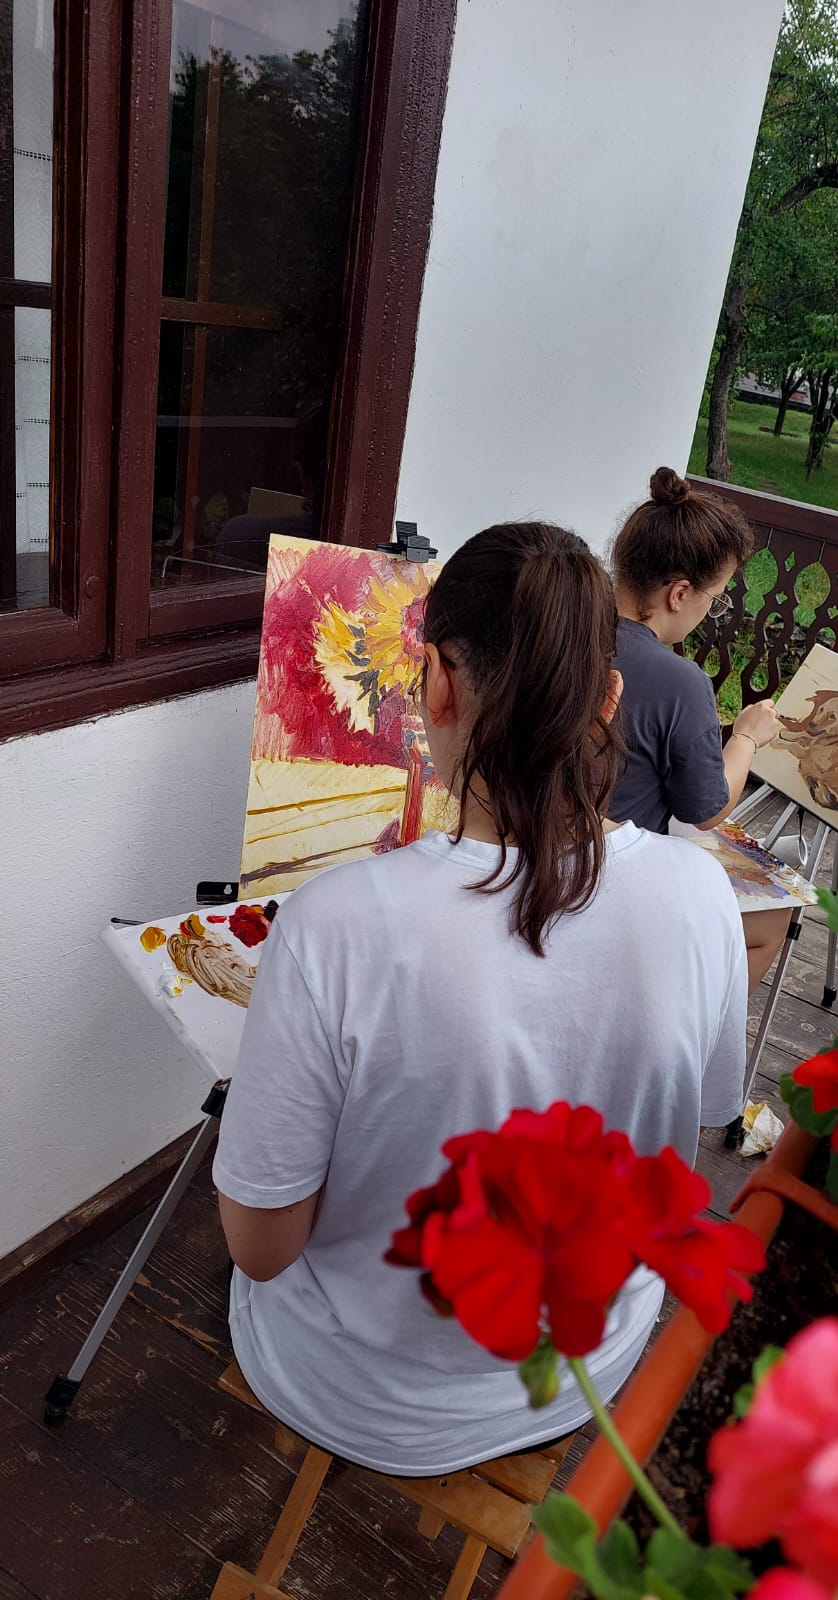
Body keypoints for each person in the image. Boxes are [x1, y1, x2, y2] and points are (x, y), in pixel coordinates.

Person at [213, 521, 748, 1476]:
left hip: (358, 1388)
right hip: (580, 1362)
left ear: (436, 684)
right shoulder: (702, 892)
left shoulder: (333, 925)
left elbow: (261, 1250)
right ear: (610, 699)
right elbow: (701, 1121)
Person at [609, 467, 787, 993]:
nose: (711, 611)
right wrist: (746, 737)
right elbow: (705, 810)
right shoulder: (679, 681)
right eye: (716, 598)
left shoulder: (561, 628)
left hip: (520, 843)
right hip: (606, 879)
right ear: (680, 593)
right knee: (771, 921)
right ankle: (682, 1029)